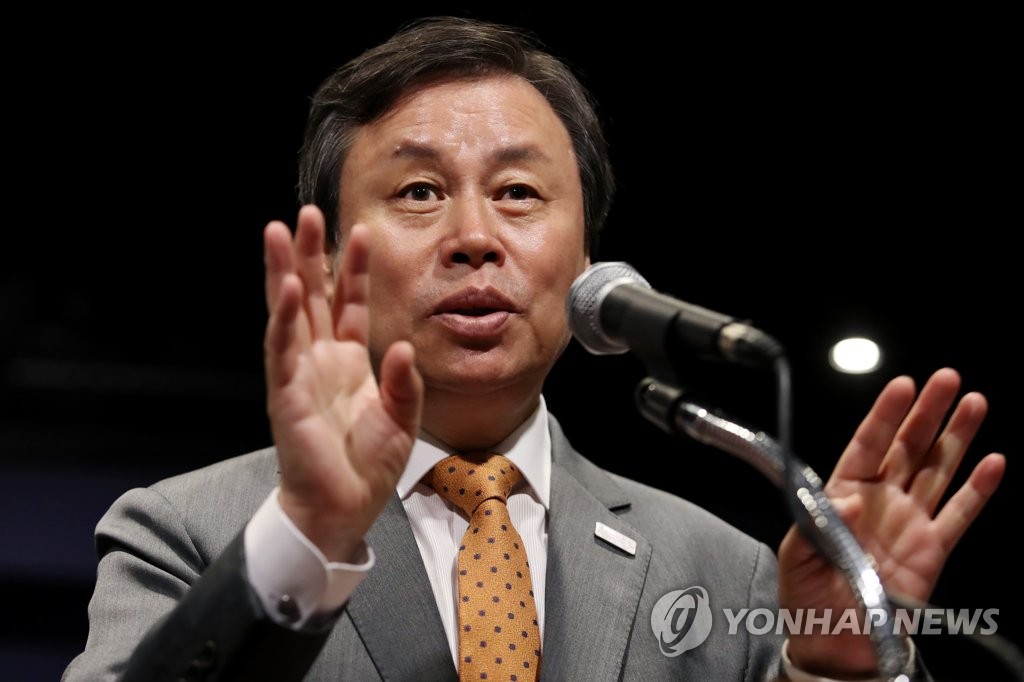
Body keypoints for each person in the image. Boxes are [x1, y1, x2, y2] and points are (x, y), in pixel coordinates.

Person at [63, 16, 1006, 682]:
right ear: (328, 263)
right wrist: (308, 534)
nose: (475, 236)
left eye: (518, 193)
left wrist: (837, 669)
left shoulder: (724, 568)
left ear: (589, 261)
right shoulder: (185, 532)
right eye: (419, 192)